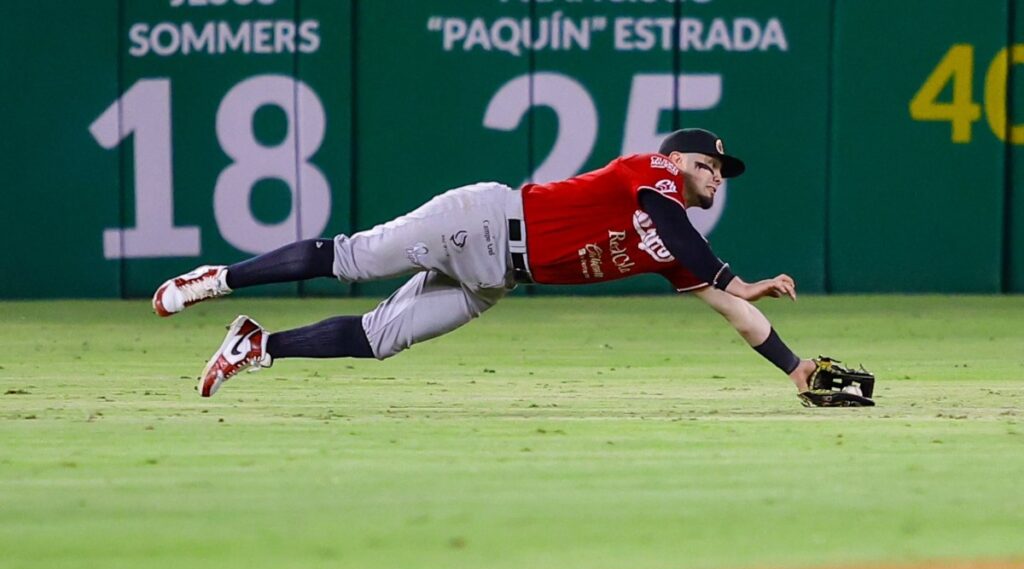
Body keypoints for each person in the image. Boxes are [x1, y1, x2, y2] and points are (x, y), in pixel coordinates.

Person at [153, 128, 819, 399]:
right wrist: (738, 276)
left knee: (380, 338)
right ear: (676, 160)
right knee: (353, 259)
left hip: (499, 277)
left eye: (722, 172)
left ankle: (255, 345)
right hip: (483, 220)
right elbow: (675, 223)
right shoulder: (651, 171)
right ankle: (218, 279)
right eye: (707, 164)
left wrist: (796, 370)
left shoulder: (673, 249)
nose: (716, 176)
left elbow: (733, 312)